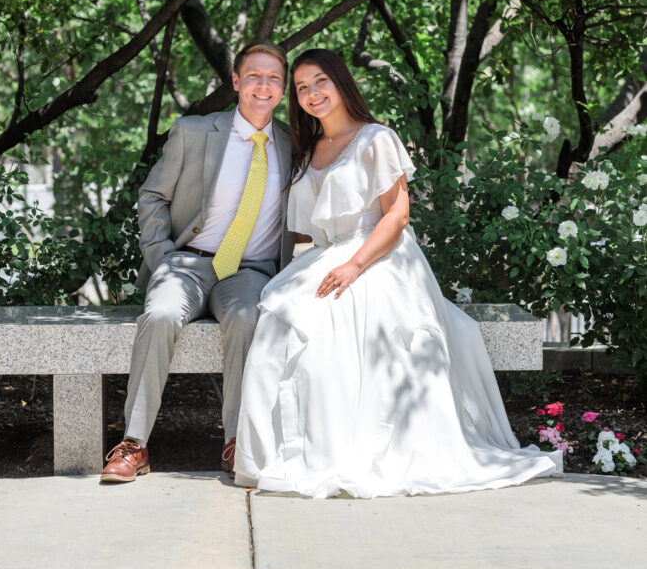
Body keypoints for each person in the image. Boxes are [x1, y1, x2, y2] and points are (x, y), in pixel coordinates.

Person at [233, 49, 562, 497]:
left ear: (342, 82)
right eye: (303, 87)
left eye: (321, 81)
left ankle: (348, 451)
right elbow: (308, 230)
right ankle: (275, 454)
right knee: (279, 323)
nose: (312, 94)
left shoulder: (375, 138)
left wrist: (354, 265)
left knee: (332, 328)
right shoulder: (309, 149)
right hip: (323, 257)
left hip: (377, 255)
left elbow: (397, 216)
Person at [101, 39, 295, 482]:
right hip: (186, 264)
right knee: (162, 313)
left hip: (251, 271)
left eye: (273, 78)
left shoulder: (293, 142)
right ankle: (134, 445)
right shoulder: (194, 132)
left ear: (282, 88)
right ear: (235, 81)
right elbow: (151, 196)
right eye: (254, 76)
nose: (263, 86)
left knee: (248, 318)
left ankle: (236, 442)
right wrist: (162, 256)